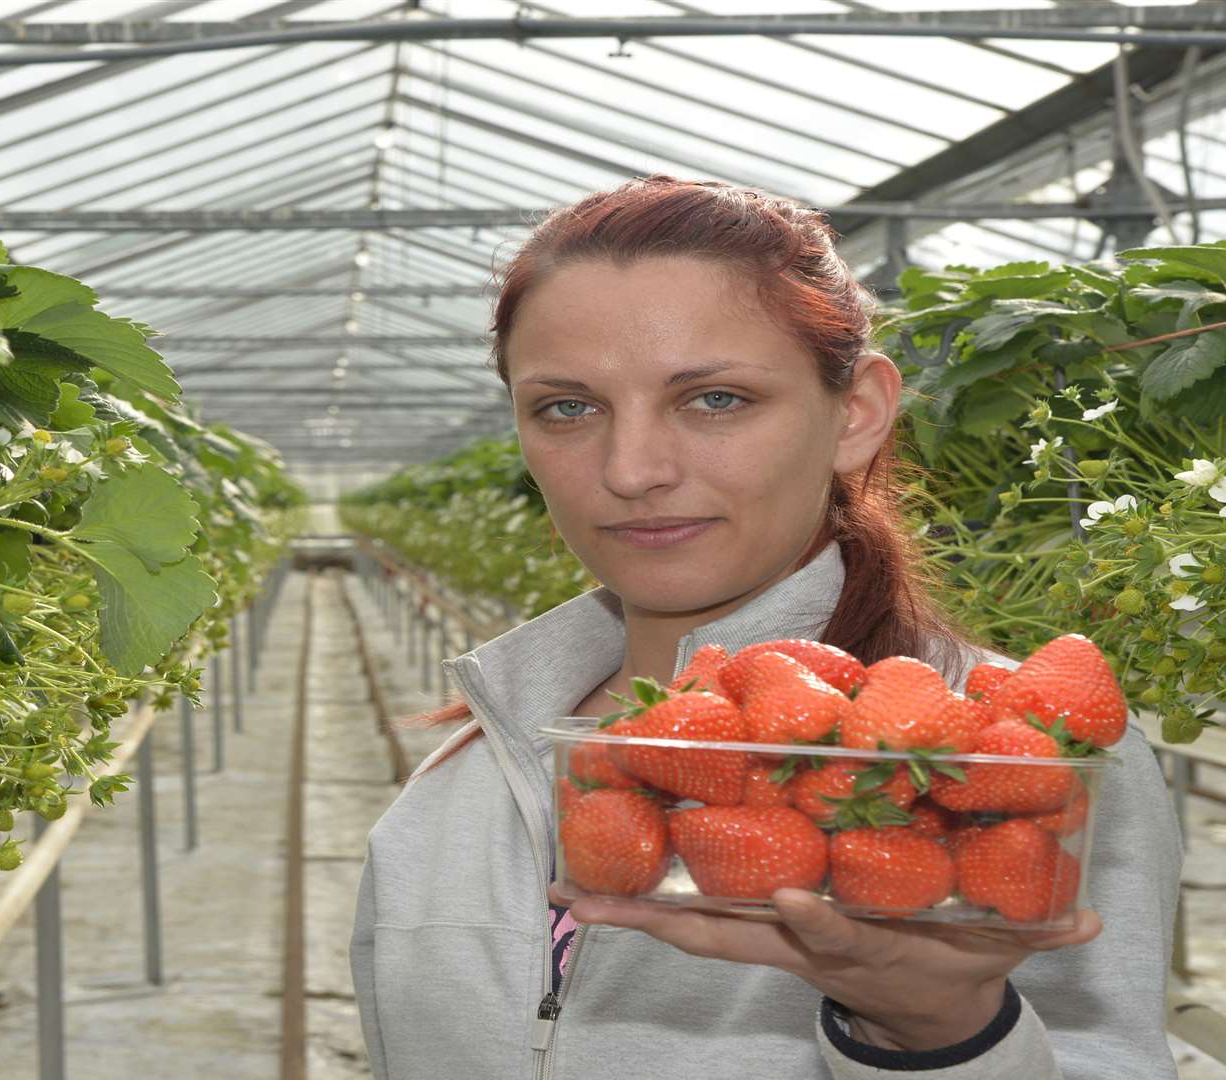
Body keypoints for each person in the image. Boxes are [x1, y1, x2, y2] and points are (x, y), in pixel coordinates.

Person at [348, 175, 1181, 1079]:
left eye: (715, 399)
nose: (632, 470)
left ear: (856, 412)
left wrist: (942, 1036)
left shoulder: (1008, 759)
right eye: (568, 408)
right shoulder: (465, 777)